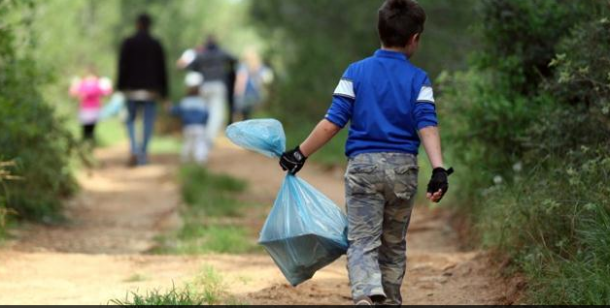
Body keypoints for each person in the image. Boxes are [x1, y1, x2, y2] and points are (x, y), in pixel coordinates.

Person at [278, 0, 452, 305]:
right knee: (393, 245)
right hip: (402, 171)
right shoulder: (418, 79)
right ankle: (389, 299)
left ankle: (366, 293)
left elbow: (333, 122)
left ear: (380, 33)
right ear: (414, 39)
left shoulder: (355, 72)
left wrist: (300, 153)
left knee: (362, 242)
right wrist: (438, 169)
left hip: (363, 169)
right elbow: (427, 124)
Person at [117, 13, 168, 167]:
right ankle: (143, 154)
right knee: (148, 122)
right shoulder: (156, 44)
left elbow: (122, 66)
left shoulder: (128, 42)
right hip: (151, 91)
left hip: (131, 89)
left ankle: (134, 148)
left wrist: (120, 86)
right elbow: (162, 70)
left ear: (137, 24)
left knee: (131, 121)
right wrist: (165, 93)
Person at [177, 35, 237, 146]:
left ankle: (203, 137)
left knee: (205, 113)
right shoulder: (222, 53)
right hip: (218, 85)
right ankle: (208, 138)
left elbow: (187, 66)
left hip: (204, 86)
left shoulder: (200, 55)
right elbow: (235, 59)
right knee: (217, 114)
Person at [168, 72, 209, 164]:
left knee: (187, 143)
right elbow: (207, 114)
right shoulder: (202, 102)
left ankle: (185, 158)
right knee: (200, 143)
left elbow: (176, 111)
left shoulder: (185, 102)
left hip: (188, 127)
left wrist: (169, 108)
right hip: (200, 127)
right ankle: (200, 159)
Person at [69, 66, 113, 142]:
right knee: (91, 128)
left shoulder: (83, 83)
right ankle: (89, 142)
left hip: (87, 109)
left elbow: (74, 93)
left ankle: (87, 143)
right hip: (92, 108)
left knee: (86, 128)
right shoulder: (97, 83)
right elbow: (106, 92)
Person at [233, 48, 273, 121]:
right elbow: (266, 80)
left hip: (245, 94)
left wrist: (237, 93)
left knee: (244, 117)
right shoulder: (260, 67)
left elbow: (241, 80)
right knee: (254, 117)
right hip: (256, 94)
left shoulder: (243, 66)